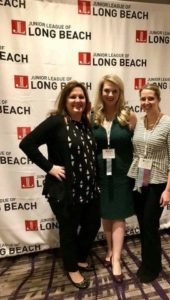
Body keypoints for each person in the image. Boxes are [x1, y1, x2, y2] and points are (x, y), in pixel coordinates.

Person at [19, 81, 100, 289]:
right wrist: (49, 167)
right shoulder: (56, 122)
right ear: (65, 99)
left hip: (88, 189)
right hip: (64, 191)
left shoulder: (85, 122)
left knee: (92, 224)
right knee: (69, 230)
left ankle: (81, 258)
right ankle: (72, 268)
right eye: (73, 96)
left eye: (81, 97)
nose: (78, 100)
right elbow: (26, 143)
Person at [128, 83, 170, 283]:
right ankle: (149, 262)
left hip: (158, 182)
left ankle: (152, 267)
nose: (147, 102)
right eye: (143, 99)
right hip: (141, 177)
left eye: (151, 98)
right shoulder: (139, 122)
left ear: (158, 99)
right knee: (143, 223)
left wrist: (168, 189)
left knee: (150, 224)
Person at [91, 74, 136, 283]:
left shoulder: (129, 117)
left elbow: (140, 146)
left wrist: (142, 176)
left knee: (118, 216)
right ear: (101, 92)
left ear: (120, 93)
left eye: (114, 91)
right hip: (100, 174)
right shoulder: (93, 117)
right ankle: (109, 250)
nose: (110, 94)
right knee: (106, 215)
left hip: (121, 175)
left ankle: (116, 259)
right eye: (106, 90)